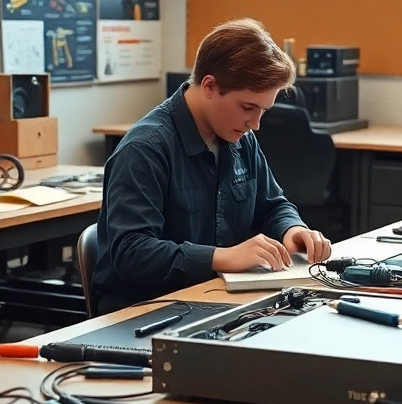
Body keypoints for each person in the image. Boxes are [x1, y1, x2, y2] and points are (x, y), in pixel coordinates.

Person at [91, 18, 332, 314]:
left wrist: (292, 229)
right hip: (146, 311)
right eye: (247, 107)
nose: (255, 125)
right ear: (209, 86)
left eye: (263, 111)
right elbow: (131, 252)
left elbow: (272, 205)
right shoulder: (145, 149)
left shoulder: (240, 138)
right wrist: (223, 257)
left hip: (216, 299)